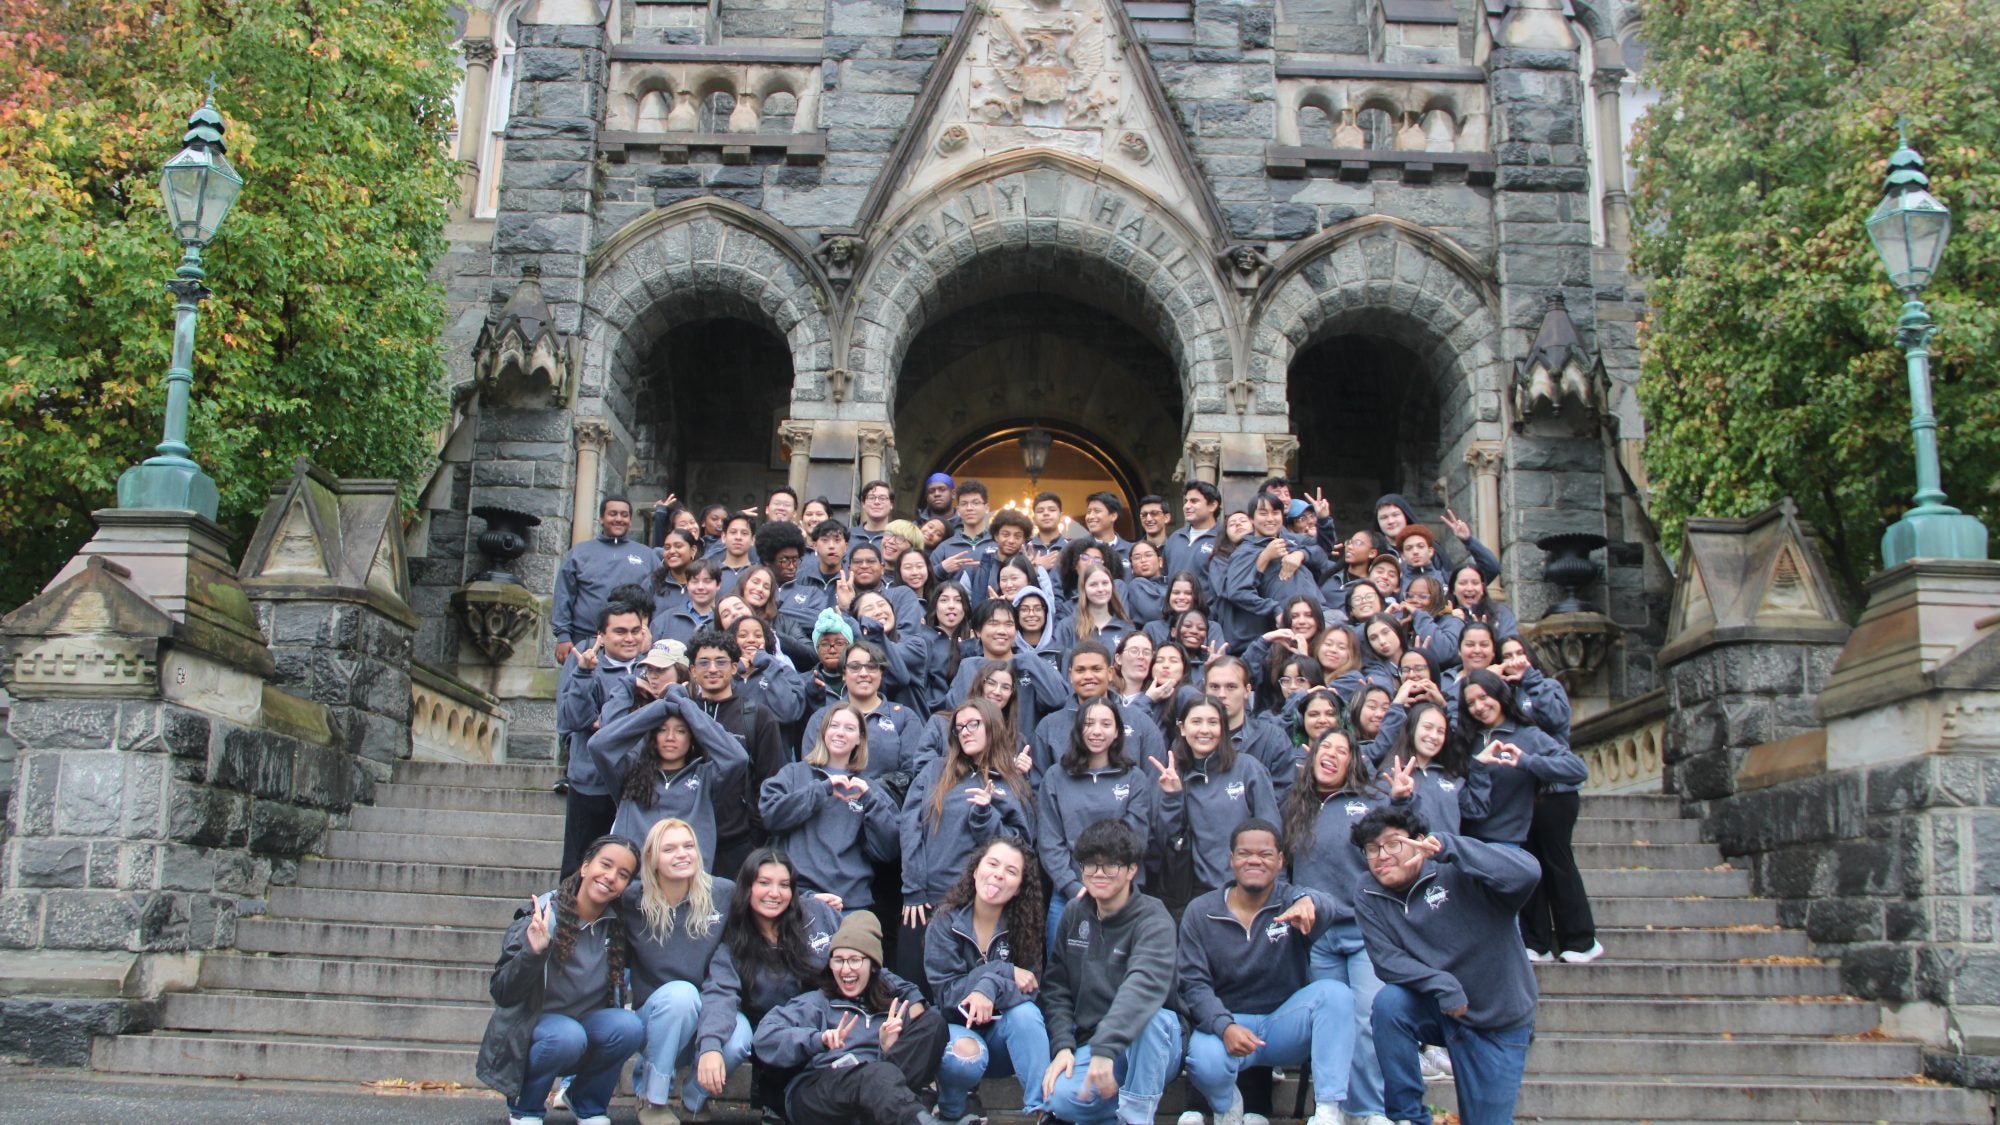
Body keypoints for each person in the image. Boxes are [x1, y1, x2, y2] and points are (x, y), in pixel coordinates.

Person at [1352, 808, 1541, 1125]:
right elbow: (1387, 960)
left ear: (1418, 842)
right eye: (1372, 849)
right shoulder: (1368, 890)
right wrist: (1444, 986)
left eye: (1392, 844)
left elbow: (1527, 873)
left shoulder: (1458, 870)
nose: (1381, 856)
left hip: (1498, 1017)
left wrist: (1451, 847)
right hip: (1440, 1007)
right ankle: (1408, 1117)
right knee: (1390, 1004)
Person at [1281, 728, 1418, 1124]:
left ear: (1352, 762)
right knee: (1330, 1024)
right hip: (1318, 933)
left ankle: (1368, 1109)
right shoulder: (1296, 804)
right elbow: (1284, 867)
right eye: (1326, 748)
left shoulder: (1372, 801)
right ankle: (1331, 1106)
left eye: (1343, 751)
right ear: (1313, 757)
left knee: (1366, 1019)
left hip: (1365, 929)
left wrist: (1404, 801)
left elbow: (1402, 843)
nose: (1333, 756)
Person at [1178, 819, 1350, 1125]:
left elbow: (1329, 907)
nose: (1254, 860)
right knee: (1204, 1059)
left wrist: (1310, 902)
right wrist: (1224, 1026)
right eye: (1244, 853)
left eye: (1266, 854)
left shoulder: (1291, 900)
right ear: (1231, 859)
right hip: (1229, 1026)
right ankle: (1226, 1104)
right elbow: (1193, 984)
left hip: (1282, 1024)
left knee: (1336, 995)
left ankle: (1327, 1111)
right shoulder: (1200, 911)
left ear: (1281, 860)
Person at [478, 834, 645, 1125]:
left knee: (628, 1026)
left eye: (622, 875)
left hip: (584, 1029)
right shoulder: (543, 916)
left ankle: (587, 1103)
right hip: (536, 1031)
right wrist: (533, 951)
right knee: (567, 1035)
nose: (610, 877)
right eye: (605, 865)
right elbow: (503, 992)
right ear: (584, 867)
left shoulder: (616, 926)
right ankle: (526, 1109)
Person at [1038, 819, 1183, 1125]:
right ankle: (1115, 1111)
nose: (1099, 874)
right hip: (1094, 1044)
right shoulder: (1074, 914)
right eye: (1090, 865)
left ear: (1132, 869)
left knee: (1153, 1019)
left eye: (1111, 866)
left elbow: (1144, 985)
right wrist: (1063, 1045)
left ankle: (1135, 1118)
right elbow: (1056, 988)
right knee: (1059, 1099)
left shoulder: (1153, 918)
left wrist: (1106, 1048)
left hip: (1150, 1042)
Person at [753, 912, 950, 1125]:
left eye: (855, 960)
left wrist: (888, 1049)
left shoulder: (892, 1007)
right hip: (819, 1090)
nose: (846, 969)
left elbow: (928, 1034)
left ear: (873, 965)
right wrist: (819, 1040)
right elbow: (765, 1036)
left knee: (934, 1024)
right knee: (875, 1075)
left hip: (875, 1092)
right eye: (838, 960)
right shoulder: (818, 1003)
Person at [898, 697, 1035, 992]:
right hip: (925, 901)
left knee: (968, 996)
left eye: (974, 724)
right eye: (960, 727)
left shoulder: (1011, 782)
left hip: (979, 909)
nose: (966, 732)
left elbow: (1018, 849)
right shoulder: (935, 770)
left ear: (992, 727)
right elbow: (910, 828)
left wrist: (985, 816)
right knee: (912, 996)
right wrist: (913, 887)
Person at [624, 820, 751, 1125]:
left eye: (688, 846)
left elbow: (724, 973)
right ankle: (652, 1098)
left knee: (741, 1039)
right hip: (655, 1016)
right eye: (669, 849)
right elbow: (588, 894)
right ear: (652, 858)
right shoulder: (631, 900)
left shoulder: (722, 893)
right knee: (681, 995)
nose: (682, 854)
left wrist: (813, 904)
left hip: (708, 1008)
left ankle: (694, 1100)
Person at [926, 837, 1053, 1125]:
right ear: (975, 870)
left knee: (1027, 1015)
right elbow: (946, 995)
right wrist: (1002, 971)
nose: (998, 874)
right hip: (959, 1033)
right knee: (965, 1055)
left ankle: (1045, 1109)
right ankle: (952, 1109)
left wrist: (988, 987)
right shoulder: (946, 921)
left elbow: (1030, 989)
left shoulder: (1026, 923)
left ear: (1019, 886)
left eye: (1011, 871)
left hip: (1004, 1040)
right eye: (992, 864)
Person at [1037, 698, 1156, 952]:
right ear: (1078, 729)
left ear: (1116, 732)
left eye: (1106, 724)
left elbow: (1135, 838)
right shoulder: (1056, 777)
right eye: (1089, 723)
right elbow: (1050, 840)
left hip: (1121, 892)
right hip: (1070, 893)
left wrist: (1109, 881)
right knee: (1063, 975)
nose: (1097, 731)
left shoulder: (1134, 778)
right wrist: (1072, 886)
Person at [587, 685, 752, 868]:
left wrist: (687, 708)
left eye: (681, 731)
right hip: (636, 885)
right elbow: (598, 745)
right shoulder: (629, 772)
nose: (670, 737)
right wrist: (660, 708)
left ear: (692, 739)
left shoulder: (706, 777)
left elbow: (737, 758)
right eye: (662, 730)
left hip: (687, 883)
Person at [762, 703, 901, 912]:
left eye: (849, 728)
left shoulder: (869, 789)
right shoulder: (792, 774)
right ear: (824, 732)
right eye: (834, 725)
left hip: (850, 903)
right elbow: (771, 816)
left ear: (859, 739)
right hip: (796, 898)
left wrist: (871, 802)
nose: (840, 733)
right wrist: (822, 790)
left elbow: (887, 850)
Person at [1149, 696, 1279, 912]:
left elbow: (1272, 830)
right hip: (1196, 895)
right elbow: (1163, 841)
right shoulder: (1172, 774)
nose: (1204, 730)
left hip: (1249, 889)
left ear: (1223, 728)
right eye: (1196, 722)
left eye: (1213, 722)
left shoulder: (1248, 768)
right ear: (1182, 728)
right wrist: (1172, 796)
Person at [554, 596, 653, 875]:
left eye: (635, 631)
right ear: (602, 635)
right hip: (592, 782)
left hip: (638, 784)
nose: (629, 638)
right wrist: (584, 675)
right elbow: (573, 718)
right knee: (581, 866)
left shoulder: (652, 668)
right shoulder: (588, 666)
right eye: (620, 632)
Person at [684, 628, 789, 879]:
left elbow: (770, 778)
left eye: (721, 662)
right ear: (692, 671)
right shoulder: (682, 715)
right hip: (685, 838)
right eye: (704, 662)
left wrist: (754, 835)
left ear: (734, 668)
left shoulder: (757, 716)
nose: (712, 669)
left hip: (738, 842)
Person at [1452, 670, 1587, 849]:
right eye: (1471, 703)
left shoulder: (1527, 736)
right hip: (1464, 841)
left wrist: (1526, 761)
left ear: (1498, 694)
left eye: (1484, 697)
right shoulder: (1464, 738)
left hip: (1506, 842)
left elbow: (1577, 769)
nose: (1479, 706)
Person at [553, 498, 658, 667]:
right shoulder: (580, 553)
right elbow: (564, 595)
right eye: (612, 514)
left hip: (632, 643)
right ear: (601, 518)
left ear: (630, 521)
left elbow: (658, 596)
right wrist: (563, 635)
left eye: (624, 515)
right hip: (585, 640)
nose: (619, 519)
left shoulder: (647, 555)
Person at [777, 521, 852, 666]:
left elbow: (817, 619)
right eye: (824, 540)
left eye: (837, 540)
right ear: (815, 545)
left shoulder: (850, 581)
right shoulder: (798, 577)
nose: (831, 545)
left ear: (846, 546)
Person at [933, 481, 999, 600]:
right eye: (964, 504)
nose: (969, 508)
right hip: (955, 612)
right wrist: (941, 569)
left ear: (987, 508)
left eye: (975, 503)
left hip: (994, 611)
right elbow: (925, 581)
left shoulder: (999, 543)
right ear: (958, 510)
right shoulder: (944, 547)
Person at [1162, 482, 1221, 592]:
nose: (1187, 506)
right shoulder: (1175, 538)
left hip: (1209, 608)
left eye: (1194, 501)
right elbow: (1165, 577)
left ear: (1212, 505)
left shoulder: (1224, 538)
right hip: (1174, 607)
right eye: (1186, 501)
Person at [854, 480, 896, 554]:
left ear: (891, 504)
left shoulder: (898, 539)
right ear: (863, 504)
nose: (877, 502)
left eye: (882, 498)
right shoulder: (849, 536)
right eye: (871, 498)